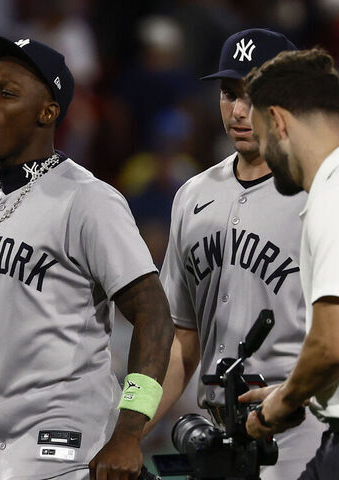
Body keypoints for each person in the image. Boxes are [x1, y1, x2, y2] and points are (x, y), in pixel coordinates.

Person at [0, 34, 174, 480]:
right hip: (9, 444)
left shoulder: (88, 199)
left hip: (74, 444)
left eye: (5, 93)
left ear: (47, 111)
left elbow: (154, 315)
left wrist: (130, 431)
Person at [145, 29, 325, 479]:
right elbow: (181, 338)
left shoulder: (320, 190)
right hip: (217, 431)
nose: (239, 111)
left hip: (301, 424)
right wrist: (132, 428)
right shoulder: (192, 195)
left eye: (253, 95)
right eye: (229, 94)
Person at [241, 47, 339, 480]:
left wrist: (283, 403)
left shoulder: (332, 193)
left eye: (262, 135)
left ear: (278, 121)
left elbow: (331, 342)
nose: (261, 147)